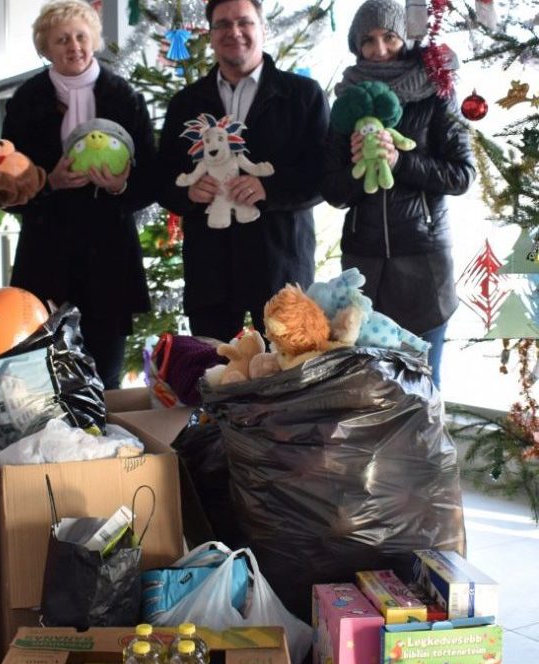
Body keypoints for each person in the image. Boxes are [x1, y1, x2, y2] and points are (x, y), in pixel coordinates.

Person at [320, 0, 475, 389]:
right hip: (363, 266)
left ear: (404, 37)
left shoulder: (437, 92)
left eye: (389, 37)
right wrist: (357, 168)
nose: (380, 49)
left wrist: (401, 160)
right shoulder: (348, 102)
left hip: (424, 265)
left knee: (423, 384)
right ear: (357, 46)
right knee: (368, 387)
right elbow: (333, 192)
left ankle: (425, 453)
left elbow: (462, 175)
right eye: (368, 41)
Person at [2, 0, 156, 390]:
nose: (74, 46)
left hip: (110, 257)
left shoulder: (126, 97)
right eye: (62, 39)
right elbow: (9, 183)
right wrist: (47, 181)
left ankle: (106, 449)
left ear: (94, 39)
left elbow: (152, 177)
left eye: (81, 36)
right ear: (46, 48)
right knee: (44, 374)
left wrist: (120, 185)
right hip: (46, 255)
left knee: (106, 376)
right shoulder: (26, 101)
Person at [157, 0, 329, 343]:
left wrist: (271, 189)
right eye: (222, 24)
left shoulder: (302, 96)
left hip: (281, 268)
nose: (233, 32)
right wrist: (186, 192)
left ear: (262, 30)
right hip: (210, 273)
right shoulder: (185, 103)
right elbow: (161, 178)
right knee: (217, 382)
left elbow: (324, 176)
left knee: (291, 381)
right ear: (209, 35)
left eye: (244, 22)